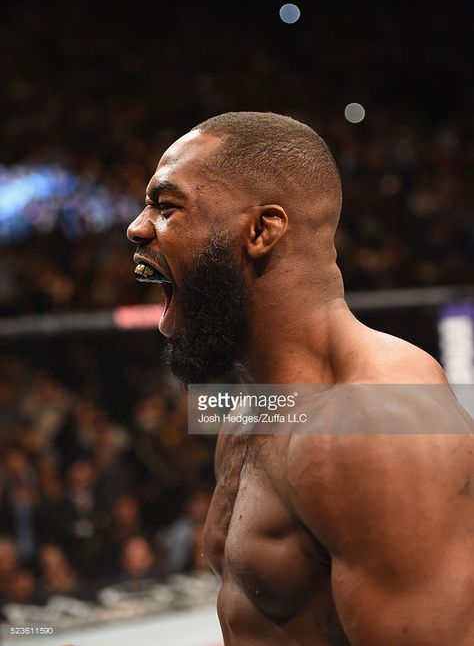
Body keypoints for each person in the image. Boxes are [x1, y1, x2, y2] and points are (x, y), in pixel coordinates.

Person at [127, 112, 473, 645]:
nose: (137, 226)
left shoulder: (377, 425)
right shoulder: (259, 407)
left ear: (262, 230)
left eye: (167, 206)